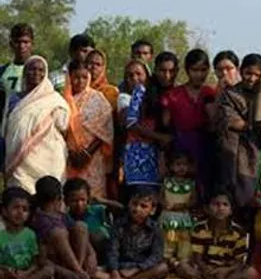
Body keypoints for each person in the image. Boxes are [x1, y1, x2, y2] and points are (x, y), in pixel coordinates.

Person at [215, 53, 261, 224]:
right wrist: (251, 126)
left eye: (257, 75)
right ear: (241, 71)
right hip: (236, 154)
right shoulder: (230, 94)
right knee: (239, 199)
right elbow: (228, 119)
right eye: (248, 73)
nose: (251, 78)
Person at [4, 56, 70, 194]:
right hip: (17, 162)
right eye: (32, 69)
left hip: (47, 159)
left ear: (45, 74)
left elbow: (63, 125)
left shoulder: (54, 100)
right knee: (19, 196)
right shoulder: (14, 98)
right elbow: (6, 126)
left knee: (47, 197)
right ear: (25, 72)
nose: (36, 73)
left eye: (41, 70)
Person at [162, 49, 217, 200]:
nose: (199, 74)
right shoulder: (173, 95)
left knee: (204, 187)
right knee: (181, 187)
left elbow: (214, 122)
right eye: (195, 70)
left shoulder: (210, 93)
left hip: (205, 145)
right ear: (187, 70)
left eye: (203, 70)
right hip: (181, 145)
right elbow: (165, 124)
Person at [30, 176, 94, 279]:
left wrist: (92, 254)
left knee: (81, 226)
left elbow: (82, 238)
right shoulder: (37, 219)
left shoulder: (62, 216)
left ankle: (79, 273)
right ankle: (79, 273)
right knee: (58, 233)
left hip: (70, 263)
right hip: (53, 263)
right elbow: (41, 256)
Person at [64, 60, 114, 201]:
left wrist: (87, 153)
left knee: (93, 197)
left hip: (93, 157)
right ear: (69, 77)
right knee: (71, 196)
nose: (80, 81)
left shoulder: (98, 99)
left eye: (84, 77)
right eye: (76, 77)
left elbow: (105, 130)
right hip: (69, 157)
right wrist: (71, 153)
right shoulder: (63, 100)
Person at [120, 60, 171, 192]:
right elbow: (131, 123)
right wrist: (160, 137)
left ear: (147, 75)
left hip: (154, 155)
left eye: (139, 74)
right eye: (130, 75)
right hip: (139, 155)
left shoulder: (154, 94)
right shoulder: (137, 92)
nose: (135, 78)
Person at [105, 189, 168, 279]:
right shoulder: (119, 225)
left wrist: (136, 269)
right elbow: (112, 251)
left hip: (141, 269)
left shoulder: (155, 229)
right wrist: (114, 271)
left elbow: (156, 256)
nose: (137, 209)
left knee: (162, 268)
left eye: (143, 206)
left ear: (152, 210)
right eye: (134, 204)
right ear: (129, 204)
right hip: (121, 267)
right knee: (95, 272)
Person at [0, 187, 54, 279]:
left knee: (48, 269)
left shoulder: (30, 234)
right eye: (15, 208)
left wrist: (25, 273)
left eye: (25, 209)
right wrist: (7, 271)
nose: (20, 212)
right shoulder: (1, 235)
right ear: (4, 211)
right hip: (7, 272)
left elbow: (35, 262)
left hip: (26, 272)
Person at [63, 177, 120, 267]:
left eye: (83, 200)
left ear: (88, 199)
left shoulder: (98, 210)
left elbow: (122, 209)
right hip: (83, 259)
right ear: (66, 201)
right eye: (74, 201)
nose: (79, 204)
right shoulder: (65, 219)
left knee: (98, 234)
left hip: (106, 256)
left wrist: (102, 201)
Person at [160, 150, 197, 266]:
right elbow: (160, 197)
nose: (182, 168)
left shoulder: (190, 184)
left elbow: (193, 200)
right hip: (169, 217)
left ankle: (183, 260)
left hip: (183, 217)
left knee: (184, 240)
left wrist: (182, 206)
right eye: (178, 164)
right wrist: (164, 204)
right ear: (171, 166)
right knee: (170, 239)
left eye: (185, 165)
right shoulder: (166, 182)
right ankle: (168, 259)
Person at [0, 23, 35, 137]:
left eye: (25, 42)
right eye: (18, 42)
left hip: (31, 129)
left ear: (32, 44)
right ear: (11, 44)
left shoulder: (40, 72)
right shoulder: (3, 72)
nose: (21, 46)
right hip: (6, 130)